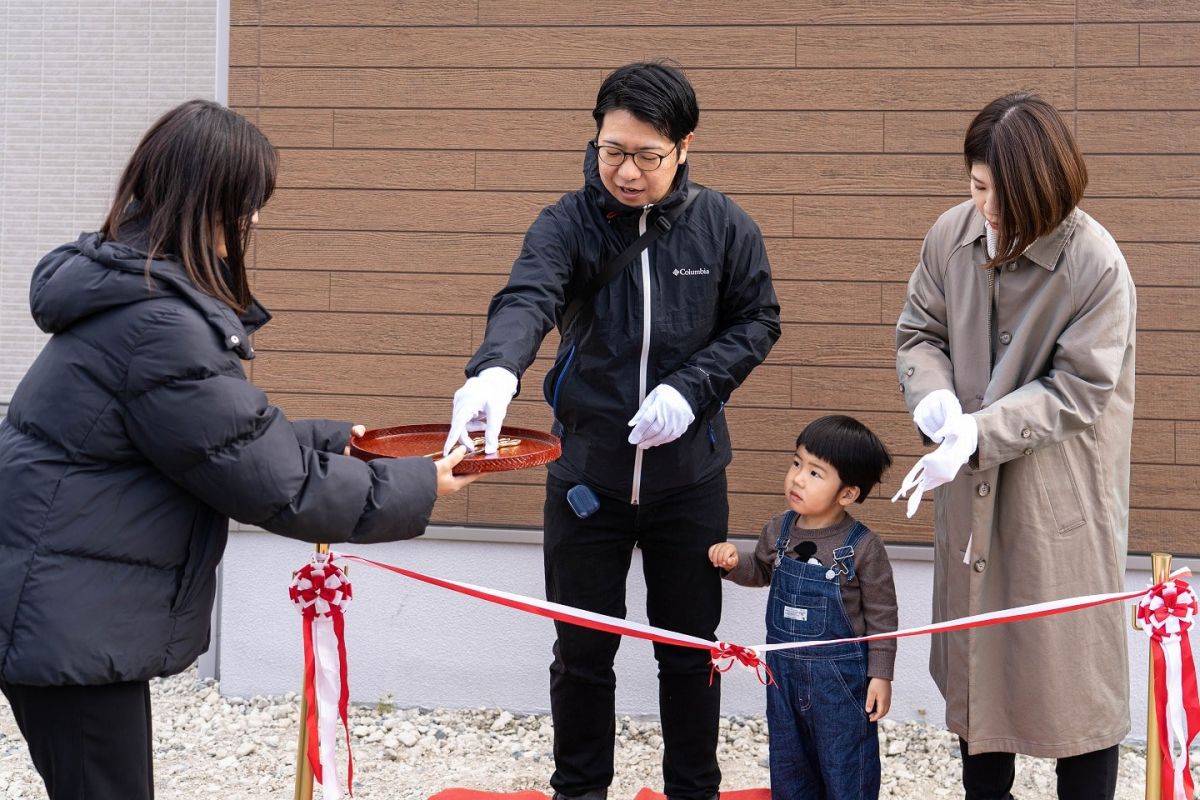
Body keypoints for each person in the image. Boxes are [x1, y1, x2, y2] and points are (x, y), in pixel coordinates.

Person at [0, 99, 478, 800]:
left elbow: (219, 436)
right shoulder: (157, 324)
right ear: (211, 203)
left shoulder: (133, 293)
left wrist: (345, 443)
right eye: (249, 204)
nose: (253, 222)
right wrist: (417, 486)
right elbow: (272, 483)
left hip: (64, 597)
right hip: (67, 611)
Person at [444, 62, 780, 800]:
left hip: (688, 480)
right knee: (581, 654)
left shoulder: (724, 225)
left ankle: (693, 790)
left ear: (685, 146)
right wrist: (496, 371)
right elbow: (527, 295)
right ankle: (580, 791)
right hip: (586, 480)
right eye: (611, 151)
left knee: (687, 653)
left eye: (646, 155)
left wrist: (691, 392)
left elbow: (759, 320)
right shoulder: (566, 222)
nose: (626, 171)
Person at [893, 92, 1136, 800]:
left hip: (1058, 502)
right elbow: (919, 333)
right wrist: (934, 398)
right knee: (978, 683)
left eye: (1002, 198)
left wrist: (979, 429)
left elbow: (1080, 389)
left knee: (1076, 692)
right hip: (967, 499)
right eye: (975, 189)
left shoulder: (1095, 263)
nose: (987, 211)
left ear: (1046, 191)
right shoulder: (951, 234)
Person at [708, 415, 896, 800]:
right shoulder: (779, 529)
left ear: (847, 493)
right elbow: (760, 571)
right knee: (789, 761)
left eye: (815, 472)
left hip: (842, 683)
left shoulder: (863, 546)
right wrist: (732, 563)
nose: (797, 478)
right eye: (797, 463)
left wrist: (881, 675)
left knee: (846, 764)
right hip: (783, 678)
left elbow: (883, 618)